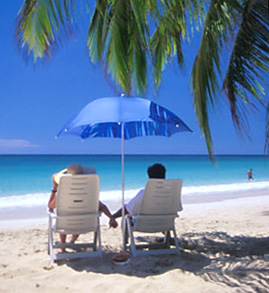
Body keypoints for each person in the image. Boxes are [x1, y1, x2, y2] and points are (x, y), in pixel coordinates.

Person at [48, 163, 118, 247]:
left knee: (63, 214)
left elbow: (50, 206)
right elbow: (102, 207)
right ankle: (72, 242)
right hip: (84, 225)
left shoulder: (63, 196)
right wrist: (111, 218)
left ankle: (63, 245)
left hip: (65, 225)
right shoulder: (87, 195)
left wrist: (54, 188)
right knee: (80, 213)